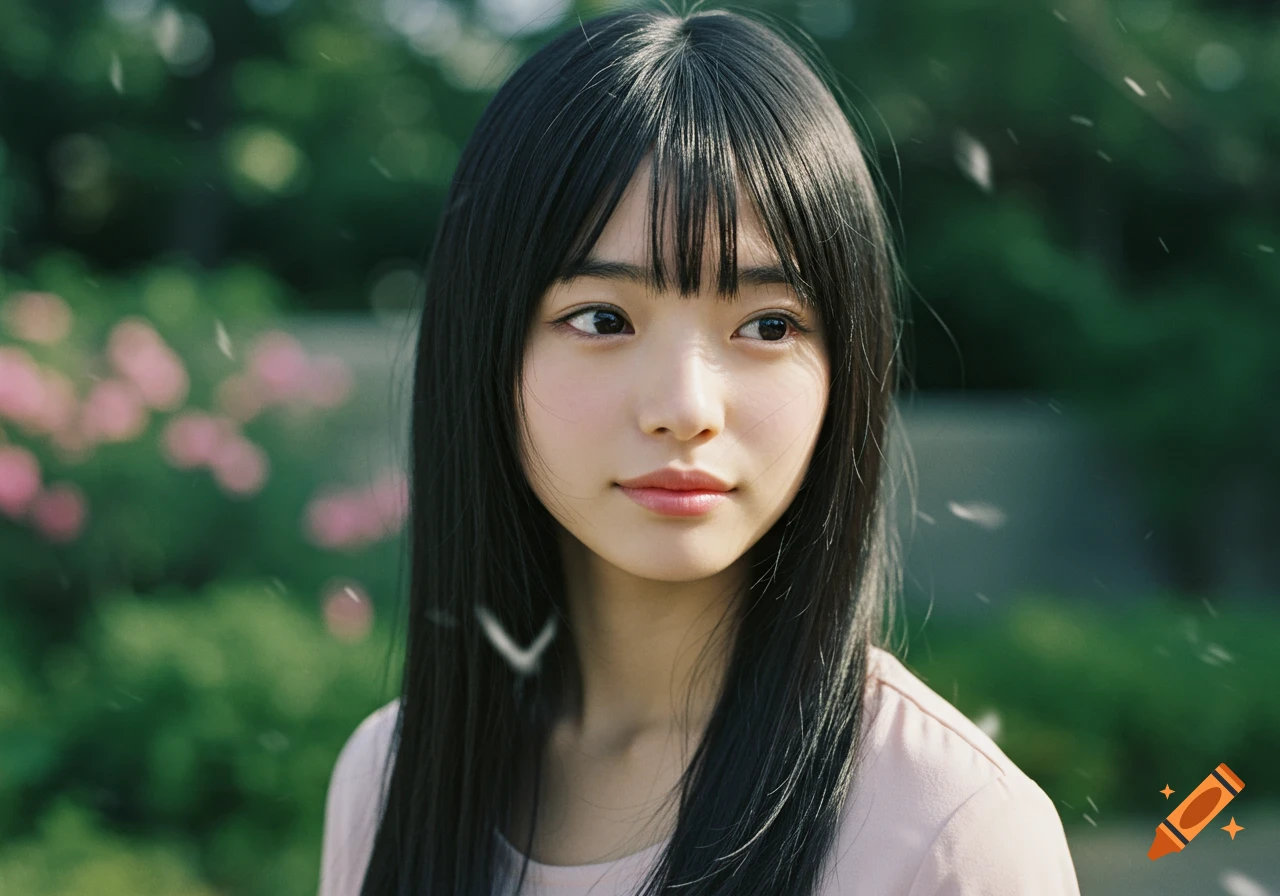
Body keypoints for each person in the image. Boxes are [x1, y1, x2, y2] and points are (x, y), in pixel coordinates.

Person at [318, 5, 1083, 894]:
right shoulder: (389, 776)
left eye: (767, 324)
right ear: (483, 349)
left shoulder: (947, 829)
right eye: (602, 318)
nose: (685, 407)